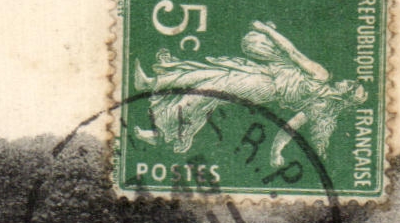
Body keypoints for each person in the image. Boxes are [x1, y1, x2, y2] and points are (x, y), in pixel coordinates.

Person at [132, 20, 367, 169]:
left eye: (350, 85)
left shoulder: (322, 78)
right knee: (212, 73)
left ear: (344, 93)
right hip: (267, 73)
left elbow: (292, 53)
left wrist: (266, 30)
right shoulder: (322, 101)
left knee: (209, 89)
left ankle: (163, 133)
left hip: (265, 87)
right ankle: (153, 83)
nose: (347, 80)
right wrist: (276, 152)